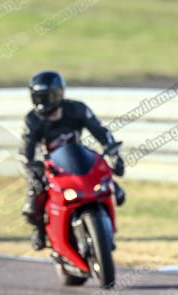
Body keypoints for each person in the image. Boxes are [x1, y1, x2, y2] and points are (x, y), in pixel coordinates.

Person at [19, 70, 125, 250]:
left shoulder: (77, 109)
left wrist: (113, 153)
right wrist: (32, 172)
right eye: (38, 96)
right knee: (31, 206)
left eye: (47, 96)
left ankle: (107, 229)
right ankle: (39, 229)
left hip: (77, 160)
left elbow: (100, 131)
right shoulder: (32, 120)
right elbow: (25, 154)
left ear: (58, 94)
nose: (42, 101)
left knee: (116, 191)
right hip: (50, 167)